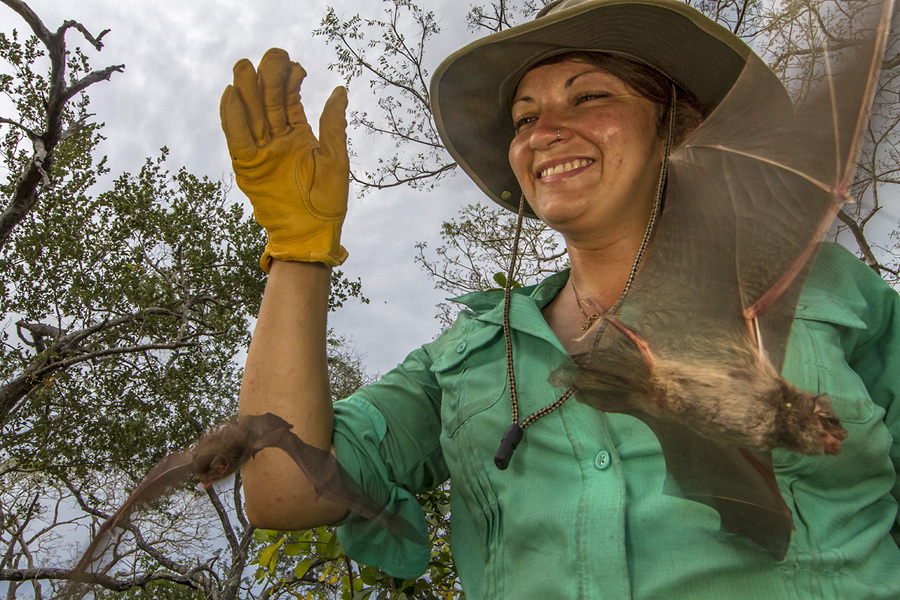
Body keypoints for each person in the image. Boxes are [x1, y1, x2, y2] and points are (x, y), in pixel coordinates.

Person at [221, 0, 900, 597]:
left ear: (678, 126)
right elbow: (281, 491)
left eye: (589, 98)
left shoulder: (825, 289)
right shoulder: (461, 360)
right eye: (525, 117)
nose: (545, 132)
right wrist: (299, 248)